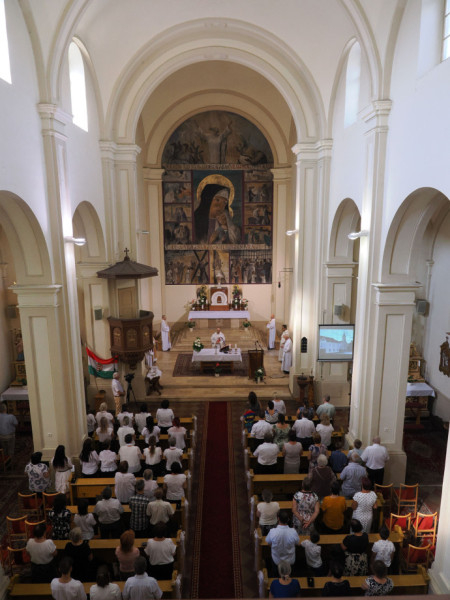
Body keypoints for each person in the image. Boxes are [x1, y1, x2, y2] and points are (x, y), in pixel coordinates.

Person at [266, 510, 300, 576]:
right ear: (288, 519)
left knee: (276, 575)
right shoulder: (293, 532)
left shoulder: (272, 532)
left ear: (278, 519)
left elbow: (268, 543)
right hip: (290, 561)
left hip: (277, 561)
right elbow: (297, 543)